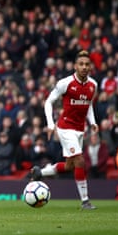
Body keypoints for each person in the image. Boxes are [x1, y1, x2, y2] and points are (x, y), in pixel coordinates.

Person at [30, 50, 99, 210]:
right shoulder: (65, 83)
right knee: (80, 160)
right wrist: (49, 124)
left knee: (70, 166)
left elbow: (88, 105)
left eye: (87, 64)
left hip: (80, 129)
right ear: (75, 66)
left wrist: (93, 122)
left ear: (90, 67)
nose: (84, 67)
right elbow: (48, 102)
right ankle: (85, 201)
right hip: (65, 127)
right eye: (81, 64)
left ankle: (40, 173)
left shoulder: (93, 85)